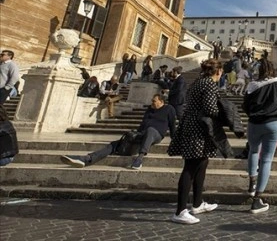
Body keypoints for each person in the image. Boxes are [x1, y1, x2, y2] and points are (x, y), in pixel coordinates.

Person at [167, 59, 226, 224]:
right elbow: (209, 109)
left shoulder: (198, 82)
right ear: (218, 72)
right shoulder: (209, 84)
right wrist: (224, 112)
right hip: (198, 129)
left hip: (193, 125)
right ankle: (180, 211)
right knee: (191, 166)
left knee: (202, 163)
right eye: (221, 71)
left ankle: (198, 203)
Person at [61, 94, 175, 169]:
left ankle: (139, 159)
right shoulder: (150, 109)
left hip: (157, 135)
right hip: (143, 134)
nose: (152, 103)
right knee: (114, 144)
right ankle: (86, 159)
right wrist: (135, 134)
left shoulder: (169, 109)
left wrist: (175, 140)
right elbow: (143, 124)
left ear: (161, 101)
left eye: (154, 101)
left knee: (150, 130)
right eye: (152, 101)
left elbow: (172, 125)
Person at [244, 58, 277, 214]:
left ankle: (251, 184)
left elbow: (244, 106)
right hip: (273, 123)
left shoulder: (252, 85)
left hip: (254, 123)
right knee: (266, 159)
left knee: (253, 151)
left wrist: (254, 114)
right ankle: (257, 200)